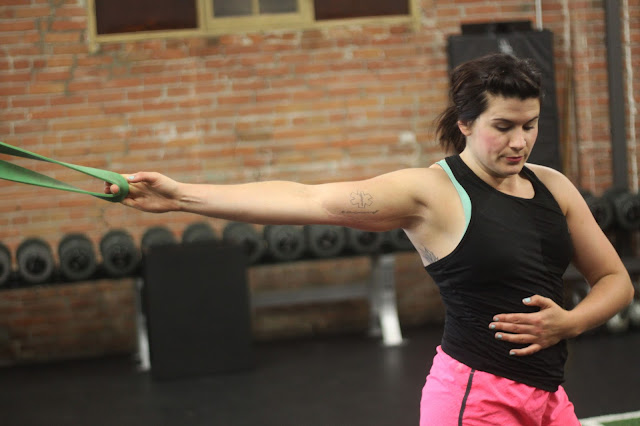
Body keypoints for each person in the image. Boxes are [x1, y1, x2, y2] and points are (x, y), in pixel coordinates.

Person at [105, 53, 634, 425]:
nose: (519, 141)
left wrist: (571, 322)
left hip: (548, 397)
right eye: (504, 126)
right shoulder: (431, 193)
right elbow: (309, 200)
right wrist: (180, 196)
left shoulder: (553, 187)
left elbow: (614, 280)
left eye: (530, 125)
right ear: (466, 123)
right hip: (477, 401)